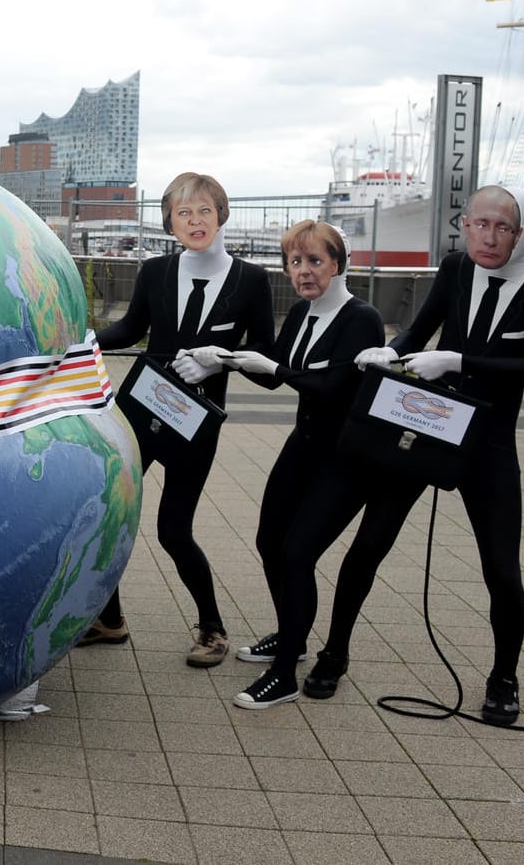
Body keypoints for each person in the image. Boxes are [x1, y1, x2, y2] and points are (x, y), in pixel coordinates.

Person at [338, 183, 524, 724]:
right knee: (370, 542)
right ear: (465, 224)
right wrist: (389, 350)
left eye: (503, 228)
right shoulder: (456, 267)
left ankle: (503, 678)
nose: (487, 238)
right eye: (478, 224)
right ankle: (334, 652)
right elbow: (419, 330)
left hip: (489, 442)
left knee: (501, 570)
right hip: (431, 427)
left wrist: (454, 359)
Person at [86, 171, 275, 666]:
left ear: (221, 215)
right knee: (109, 513)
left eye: (204, 210)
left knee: (174, 529)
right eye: (184, 212)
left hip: (195, 422)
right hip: (143, 404)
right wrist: (82, 341)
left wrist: (220, 358)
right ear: (170, 221)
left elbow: (267, 361)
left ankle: (212, 628)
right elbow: (131, 328)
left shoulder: (251, 280)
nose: (195, 220)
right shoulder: (154, 271)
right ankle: (110, 619)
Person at [212, 221, 386, 708]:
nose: (303, 272)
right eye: (294, 262)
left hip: (347, 458)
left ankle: (285, 673)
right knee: (269, 541)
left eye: (314, 261)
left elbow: (332, 388)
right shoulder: (303, 315)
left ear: (337, 263)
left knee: (297, 553)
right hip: (304, 446)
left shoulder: (361, 319)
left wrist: (277, 369)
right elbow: (274, 375)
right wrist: (225, 358)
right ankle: (294, 634)